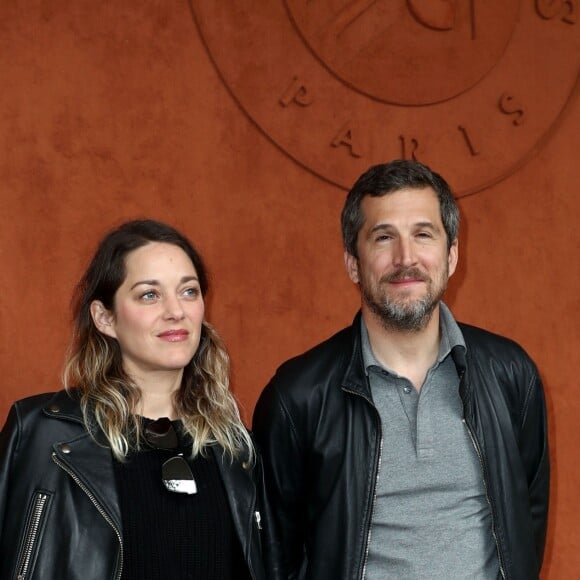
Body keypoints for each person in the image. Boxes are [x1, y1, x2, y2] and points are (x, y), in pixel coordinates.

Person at [253, 160, 550, 580]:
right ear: (353, 263)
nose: (405, 258)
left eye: (423, 235)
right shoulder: (297, 396)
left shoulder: (510, 373)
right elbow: (275, 556)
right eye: (383, 237)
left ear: (451, 257)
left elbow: (526, 519)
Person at [0, 219, 281, 580]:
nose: (176, 311)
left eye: (189, 291)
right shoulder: (41, 434)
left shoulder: (236, 452)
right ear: (105, 318)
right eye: (149, 294)